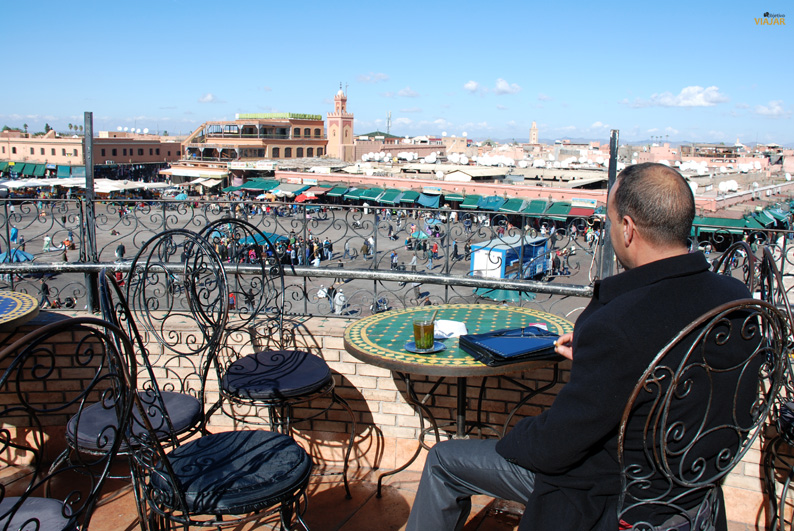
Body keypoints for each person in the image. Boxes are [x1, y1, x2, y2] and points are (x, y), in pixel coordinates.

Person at [406, 163, 755, 531]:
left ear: (627, 228)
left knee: (444, 461)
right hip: (694, 489)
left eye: (609, 220)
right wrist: (598, 351)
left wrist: (513, 434)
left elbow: (555, 445)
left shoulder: (620, 322)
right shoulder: (736, 299)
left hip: (616, 496)